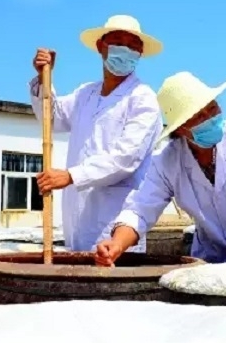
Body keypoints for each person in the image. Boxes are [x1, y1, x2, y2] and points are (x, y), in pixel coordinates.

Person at [95, 71, 226, 266]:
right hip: (213, 260)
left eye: (212, 107)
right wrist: (117, 244)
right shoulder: (166, 161)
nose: (209, 117)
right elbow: (140, 209)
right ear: (180, 129)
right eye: (198, 115)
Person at [29, 15, 164, 252]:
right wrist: (44, 79)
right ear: (101, 46)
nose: (126, 50)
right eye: (119, 42)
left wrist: (71, 176)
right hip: (77, 219)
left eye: (133, 45)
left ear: (140, 52)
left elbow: (126, 158)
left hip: (116, 225)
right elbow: (52, 118)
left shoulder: (143, 99)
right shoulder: (86, 94)